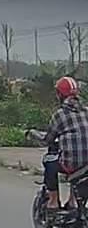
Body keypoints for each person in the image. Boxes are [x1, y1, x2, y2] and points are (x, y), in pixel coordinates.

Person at [42, 76, 88, 216]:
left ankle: (53, 201)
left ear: (60, 94)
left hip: (71, 163)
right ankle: (73, 201)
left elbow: (48, 139)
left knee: (49, 161)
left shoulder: (60, 114)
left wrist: (33, 135)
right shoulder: (86, 111)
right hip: (86, 164)